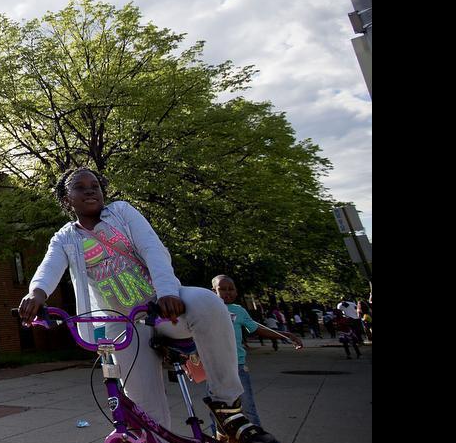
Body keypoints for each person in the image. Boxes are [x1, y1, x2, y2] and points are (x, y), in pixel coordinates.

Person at [18, 168, 278, 443]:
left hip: (163, 308)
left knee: (208, 303)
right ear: (67, 199)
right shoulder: (65, 238)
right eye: (80, 188)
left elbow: (152, 248)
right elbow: (49, 267)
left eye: (95, 185)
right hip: (125, 323)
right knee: (148, 414)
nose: (91, 190)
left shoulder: (121, 212)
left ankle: (227, 408)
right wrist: (36, 294)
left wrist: (167, 292)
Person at [211, 275, 303, 430]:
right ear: (213, 292)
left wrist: (285, 335)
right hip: (215, 369)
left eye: (231, 289)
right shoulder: (208, 309)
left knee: (247, 408)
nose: (228, 292)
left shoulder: (239, 311)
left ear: (236, 291)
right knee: (218, 410)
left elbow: (257, 328)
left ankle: (257, 436)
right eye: (222, 289)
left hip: (238, 367)